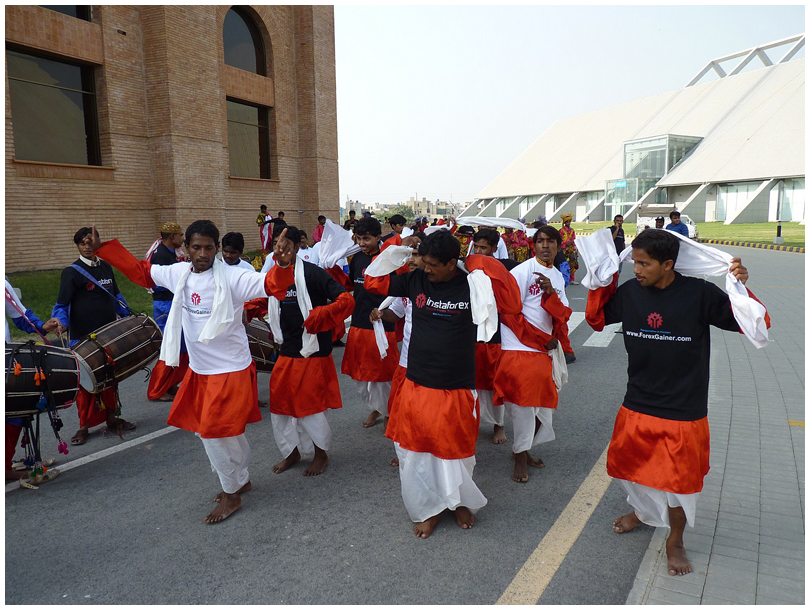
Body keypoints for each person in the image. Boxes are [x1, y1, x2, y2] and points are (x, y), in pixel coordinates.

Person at [584, 229, 764, 577]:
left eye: (644, 264)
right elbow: (597, 317)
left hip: (683, 409)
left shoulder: (699, 294)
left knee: (679, 485)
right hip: (638, 402)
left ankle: (676, 540)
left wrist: (740, 287)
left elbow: (749, 323)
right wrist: (601, 278)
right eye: (634, 263)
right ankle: (643, 512)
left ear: (668, 264)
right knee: (631, 471)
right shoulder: (631, 292)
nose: (637, 270)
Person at [92, 220, 278, 524]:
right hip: (200, 369)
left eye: (209, 247)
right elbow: (142, 273)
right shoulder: (179, 273)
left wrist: (284, 265)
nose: (202, 253)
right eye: (196, 247)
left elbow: (270, 285)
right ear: (186, 248)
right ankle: (239, 479)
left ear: (216, 248)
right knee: (224, 432)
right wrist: (103, 249)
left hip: (230, 369)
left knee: (212, 433)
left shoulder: (234, 277)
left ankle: (231, 493)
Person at [364, 230, 523, 538]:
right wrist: (398, 252)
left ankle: (459, 501)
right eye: (424, 263)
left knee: (458, 451)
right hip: (418, 381)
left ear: (452, 263)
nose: (426, 270)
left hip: (458, 383)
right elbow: (372, 282)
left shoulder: (474, 284)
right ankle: (430, 509)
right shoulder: (415, 280)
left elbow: (512, 303)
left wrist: (477, 262)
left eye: (433, 265)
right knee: (417, 452)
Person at [259, 225, 354, 476]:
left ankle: (321, 453)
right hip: (286, 349)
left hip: (312, 350)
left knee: (311, 408)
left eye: (286, 245)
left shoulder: (313, 273)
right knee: (280, 407)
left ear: (296, 247)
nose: (281, 249)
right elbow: (262, 299)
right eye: (276, 245)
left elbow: (346, 299)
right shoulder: (272, 276)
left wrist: (319, 316)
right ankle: (291, 452)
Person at [494, 225, 571, 483]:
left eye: (550, 241)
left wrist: (550, 294)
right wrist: (539, 339)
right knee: (524, 406)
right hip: (519, 347)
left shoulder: (557, 276)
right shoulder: (521, 272)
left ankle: (524, 449)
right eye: (540, 241)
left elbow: (562, 314)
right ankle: (519, 455)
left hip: (543, 349)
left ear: (558, 246)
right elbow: (508, 313)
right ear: (533, 245)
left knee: (543, 406)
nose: (545, 245)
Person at [52, 227, 134, 446]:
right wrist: (60, 322)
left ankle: (111, 418)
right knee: (85, 385)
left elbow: (117, 296)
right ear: (77, 246)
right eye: (82, 243)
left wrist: (129, 316)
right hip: (82, 337)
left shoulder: (106, 267)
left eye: (90, 242)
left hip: (108, 334)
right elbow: (62, 304)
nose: (87, 246)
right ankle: (84, 426)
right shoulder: (71, 272)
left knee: (110, 379)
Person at [369, 234, 423, 467]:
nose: (412, 260)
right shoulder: (407, 286)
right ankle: (405, 452)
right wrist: (382, 314)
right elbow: (397, 313)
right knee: (401, 409)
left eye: (417, 255)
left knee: (423, 412)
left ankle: (421, 451)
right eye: (409, 255)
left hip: (431, 366)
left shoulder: (440, 288)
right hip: (407, 362)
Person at [341, 217, 400, 428]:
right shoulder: (356, 258)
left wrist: (385, 313)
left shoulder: (389, 260)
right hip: (358, 323)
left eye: (366, 239)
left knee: (383, 376)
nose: (362, 243)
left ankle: (389, 413)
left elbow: (398, 293)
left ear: (378, 237)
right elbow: (350, 285)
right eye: (358, 239)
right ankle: (375, 408)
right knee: (361, 377)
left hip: (382, 325)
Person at [5, 278, 63, 483]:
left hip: (5, 358)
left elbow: (20, 316)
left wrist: (42, 326)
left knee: (14, 409)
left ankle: (5, 464)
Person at [471, 228, 518, 445]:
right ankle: (470, 421)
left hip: (497, 332)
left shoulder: (507, 267)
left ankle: (499, 424)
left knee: (493, 380)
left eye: (484, 248)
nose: (479, 251)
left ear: (494, 248)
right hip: (471, 330)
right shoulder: (467, 266)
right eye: (476, 247)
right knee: (471, 380)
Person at [147, 222, 190, 402]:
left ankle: (169, 384)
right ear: (173, 237)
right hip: (165, 304)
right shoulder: (161, 256)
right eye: (180, 235)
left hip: (172, 302)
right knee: (170, 346)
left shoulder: (171, 253)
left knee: (180, 346)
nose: (182, 238)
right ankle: (157, 389)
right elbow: (158, 283)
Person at [559, 214, 579, 285]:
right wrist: (564, 244)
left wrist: (573, 245)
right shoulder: (561, 230)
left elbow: (574, 239)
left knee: (572, 264)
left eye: (569, 221)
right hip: (564, 250)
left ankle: (571, 279)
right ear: (565, 223)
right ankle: (563, 278)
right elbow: (559, 240)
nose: (568, 223)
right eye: (567, 222)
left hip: (571, 250)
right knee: (564, 264)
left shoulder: (572, 230)